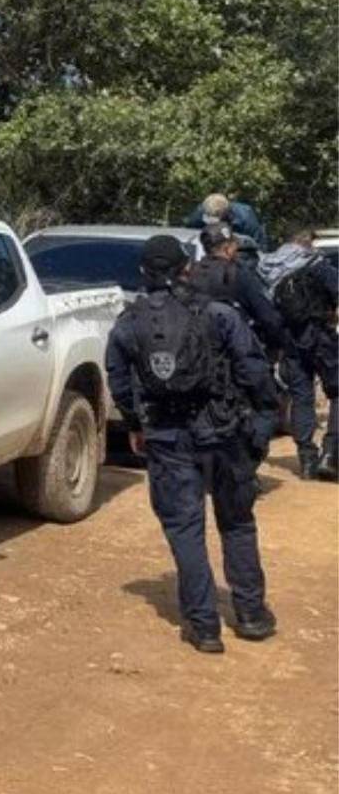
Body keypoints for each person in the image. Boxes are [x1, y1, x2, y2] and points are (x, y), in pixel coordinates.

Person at [105, 235, 279, 653]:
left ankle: (203, 628)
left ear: (145, 274)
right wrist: (263, 419)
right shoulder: (220, 314)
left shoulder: (129, 322)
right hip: (224, 433)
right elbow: (254, 371)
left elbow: (119, 381)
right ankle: (252, 615)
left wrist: (135, 424)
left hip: (167, 437)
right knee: (237, 523)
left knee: (185, 530)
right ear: (186, 269)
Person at [191, 222, 286, 469]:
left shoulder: (190, 273)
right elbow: (268, 316)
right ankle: (247, 464)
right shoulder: (239, 274)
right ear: (230, 247)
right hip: (236, 355)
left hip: (194, 357)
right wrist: (278, 344)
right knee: (266, 406)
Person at [258, 230, 339, 480]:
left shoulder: (268, 268)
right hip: (322, 337)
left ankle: (306, 458)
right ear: (307, 244)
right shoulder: (317, 265)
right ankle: (331, 453)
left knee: (301, 397)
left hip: (290, 341)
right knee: (337, 393)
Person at [184, 193, 269, 252]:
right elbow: (188, 232)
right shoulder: (201, 211)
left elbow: (259, 244)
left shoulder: (245, 215)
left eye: (217, 218)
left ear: (226, 212)